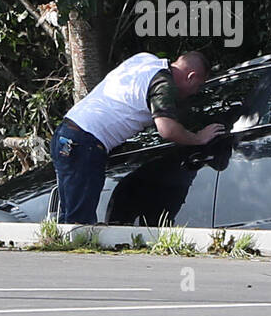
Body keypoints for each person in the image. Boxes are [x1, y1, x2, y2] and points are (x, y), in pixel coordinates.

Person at [51, 51, 224, 224]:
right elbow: (167, 130)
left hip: (65, 135)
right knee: (79, 223)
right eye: (198, 86)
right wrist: (198, 138)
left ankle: (60, 247)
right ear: (191, 77)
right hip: (86, 142)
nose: (195, 92)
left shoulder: (146, 60)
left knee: (68, 217)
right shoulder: (163, 83)